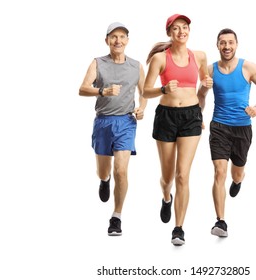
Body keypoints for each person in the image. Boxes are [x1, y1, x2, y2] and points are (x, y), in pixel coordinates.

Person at [197, 28, 256, 237]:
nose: (227, 47)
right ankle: (220, 222)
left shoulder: (248, 67)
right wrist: (199, 113)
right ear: (217, 46)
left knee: (236, 172)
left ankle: (238, 181)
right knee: (219, 172)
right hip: (219, 126)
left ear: (236, 44)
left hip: (242, 127)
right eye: (223, 43)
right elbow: (200, 96)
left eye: (230, 42)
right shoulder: (211, 71)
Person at [143, 14, 213, 246]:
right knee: (168, 176)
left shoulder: (200, 56)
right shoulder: (160, 59)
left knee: (183, 174)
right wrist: (163, 88)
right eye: (176, 28)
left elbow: (203, 85)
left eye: (185, 27)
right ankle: (166, 196)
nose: (181, 31)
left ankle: (179, 228)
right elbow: (145, 91)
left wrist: (206, 86)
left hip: (191, 117)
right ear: (169, 33)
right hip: (166, 117)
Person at [79, 22, 147, 236]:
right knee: (104, 170)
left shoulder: (136, 66)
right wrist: (103, 91)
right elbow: (82, 89)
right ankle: (104, 180)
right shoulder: (98, 63)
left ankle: (116, 217)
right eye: (113, 37)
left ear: (127, 40)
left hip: (126, 122)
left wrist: (142, 108)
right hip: (103, 121)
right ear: (107, 40)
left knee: (121, 170)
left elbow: (144, 92)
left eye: (122, 37)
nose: (118, 41)